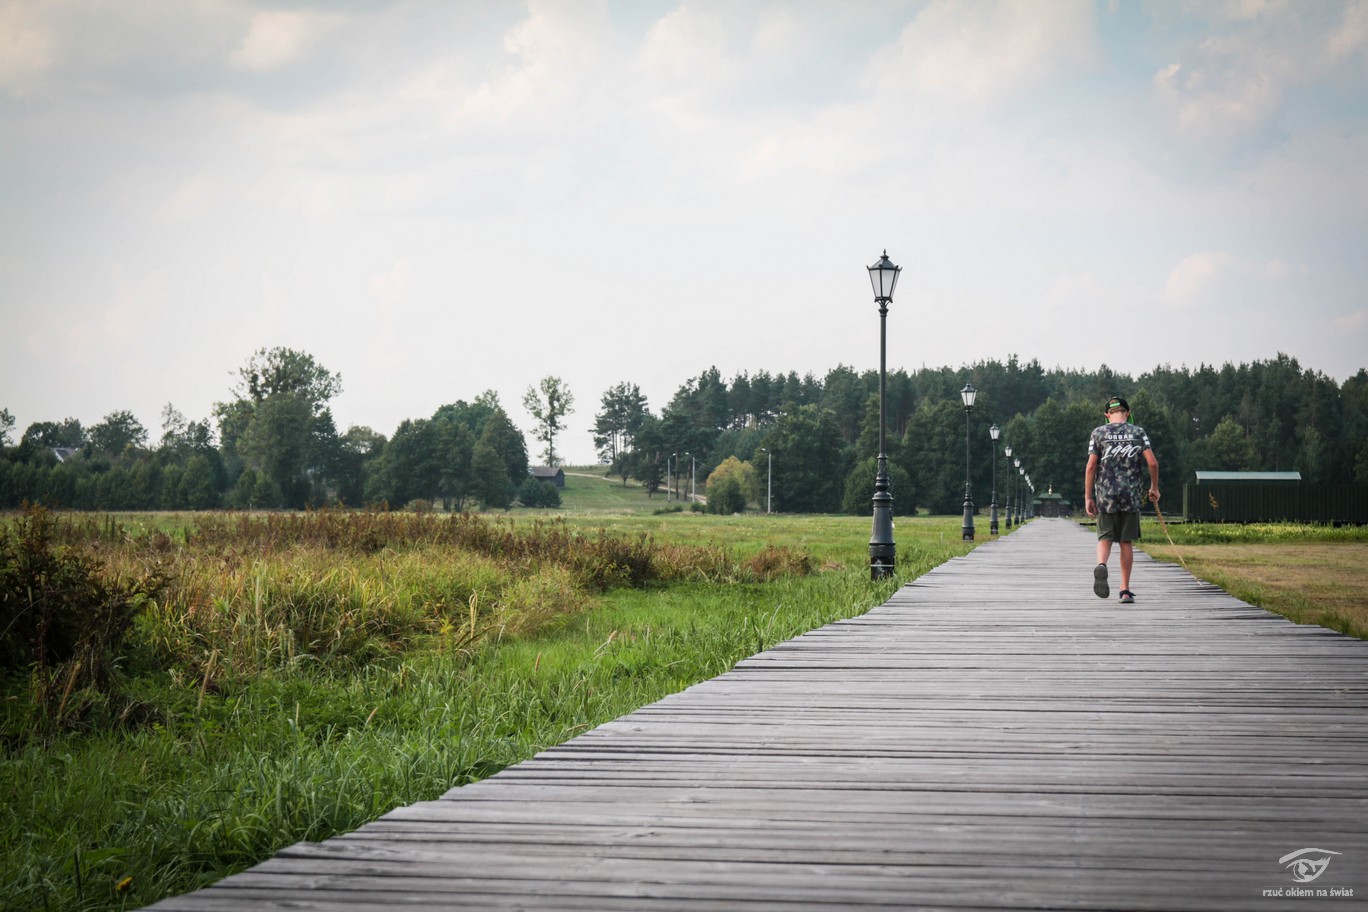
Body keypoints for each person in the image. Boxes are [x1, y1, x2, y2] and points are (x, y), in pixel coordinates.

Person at [1084, 396, 1159, 604]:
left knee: (1105, 537)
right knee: (1126, 541)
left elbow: (1091, 467)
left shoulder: (1098, 433)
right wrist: (1154, 488)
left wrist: (1088, 497)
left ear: (1107, 415)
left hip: (1105, 495)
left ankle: (1101, 565)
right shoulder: (1138, 432)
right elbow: (1152, 463)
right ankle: (1125, 590)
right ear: (1128, 412)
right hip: (1131, 496)